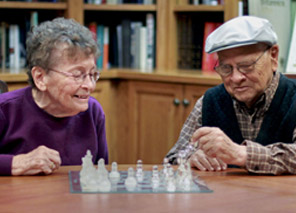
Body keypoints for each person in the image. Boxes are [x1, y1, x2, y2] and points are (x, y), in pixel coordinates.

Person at [166, 16, 296, 175]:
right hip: (225, 198)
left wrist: (241, 154)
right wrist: (190, 158)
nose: (235, 78)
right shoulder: (210, 101)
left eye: (246, 66)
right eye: (226, 68)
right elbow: (173, 157)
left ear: (273, 56)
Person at [0, 17, 108, 176]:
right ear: (40, 78)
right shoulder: (5, 110)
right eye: (77, 75)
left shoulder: (93, 112)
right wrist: (15, 163)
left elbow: (101, 172)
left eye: (92, 74)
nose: (90, 85)